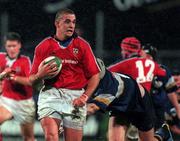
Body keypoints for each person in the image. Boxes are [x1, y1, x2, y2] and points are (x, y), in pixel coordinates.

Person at [9, 9, 100, 141]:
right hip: (50, 95)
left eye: (73, 22)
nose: (71, 25)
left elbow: (94, 76)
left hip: (75, 98)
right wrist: (40, 74)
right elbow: (31, 80)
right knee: (51, 136)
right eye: (67, 21)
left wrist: (85, 97)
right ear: (57, 23)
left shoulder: (82, 46)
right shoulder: (43, 46)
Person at [87, 58, 172, 141]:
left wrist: (76, 110)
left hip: (140, 101)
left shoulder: (111, 87)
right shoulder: (96, 79)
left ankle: (163, 133)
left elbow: (92, 107)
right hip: (121, 105)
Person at [0, 32, 35, 141]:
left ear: (19, 46)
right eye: (9, 46)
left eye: (14, 46)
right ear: (5, 46)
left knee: (28, 138)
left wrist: (12, 77)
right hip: (7, 101)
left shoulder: (25, 60)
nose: (12, 49)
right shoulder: (1, 58)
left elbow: (30, 81)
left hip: (24, 103)